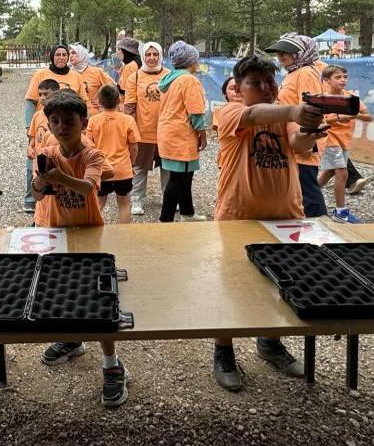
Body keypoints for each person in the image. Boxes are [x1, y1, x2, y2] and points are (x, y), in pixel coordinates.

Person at [210, 54, 327, 388]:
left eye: (270, 82)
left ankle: (270, 341)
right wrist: (292, 110)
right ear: (238, 88)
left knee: (282, 284)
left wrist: (311, 131)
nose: (265, 88)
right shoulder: (231, 111)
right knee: (232, 288)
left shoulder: (285, 115)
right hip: (237, 216)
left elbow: (298, 144)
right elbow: (253, 114)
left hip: (285, 216)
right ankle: (223, 350)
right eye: (255, 83)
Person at [31, 90, 129, 407]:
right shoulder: (45, 153)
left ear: (83, 122)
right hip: (54, 233)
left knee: (100, 304)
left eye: (68, 121)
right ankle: (73, 338)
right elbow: (38, 195)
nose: (61, 126)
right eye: (54, 121)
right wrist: (41, 182)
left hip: (89, 235)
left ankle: (112, 364)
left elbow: (89, 187)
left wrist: (59, 176)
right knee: (62, 293)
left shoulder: (93, 155)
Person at [265, 33, 337, 221]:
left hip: (303, 140)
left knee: (307, 190)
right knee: (300, 188)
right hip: (294, 138)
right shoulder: (293, 73)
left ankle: (322, 229)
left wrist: (306, 136)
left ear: (302, 53)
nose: (281, 55)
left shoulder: (306, 73)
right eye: (279, 52)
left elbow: (311, 109)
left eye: (287, 51)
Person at [22, 45, 87, 211]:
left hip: (66, 124)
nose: (61, 57)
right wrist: (29, 126)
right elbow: (30, 100)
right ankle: (31, 197)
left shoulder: (76, 76)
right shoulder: (41, 74)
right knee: (36, 161)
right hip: (43, 123)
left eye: (64, 54)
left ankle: (63, 194)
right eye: (57, 54)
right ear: (52, 57)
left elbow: (82, 101)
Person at [156, 40, 207, 223]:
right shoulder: (189, 80)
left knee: (184, 177)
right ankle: (165, 219)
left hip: (168, 134)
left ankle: (188, 212)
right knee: (178, 180)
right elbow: (196, 113)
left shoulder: (170, 78)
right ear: (190, 61)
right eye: (196, 58)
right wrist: (203, 135)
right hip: (181, 136)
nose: (198, 62)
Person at [317, 65, 372, 223]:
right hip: (329, 138)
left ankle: (306, 196)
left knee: (330, 172)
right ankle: (341, 212)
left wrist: (354, 115)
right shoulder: (322, 99)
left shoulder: (351, 98)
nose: (343, 80)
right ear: (327, 80)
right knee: (342, 172)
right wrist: (339, 117)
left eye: (345, 77)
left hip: (345, 140)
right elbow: (320, 120)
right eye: (338, 77)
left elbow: (368, 116)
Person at [124, 41, 169, 215]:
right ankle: (137, 200)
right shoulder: (134, 77)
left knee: (168, 167)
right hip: (143, 132)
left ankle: (168, 197)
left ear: (160, 56)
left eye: (155, 54)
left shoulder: (169, 75)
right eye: (148, 54)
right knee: (140, 168)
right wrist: (131, 132)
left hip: (166, 131)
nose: (151, 58)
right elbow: (129, 107)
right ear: (143, 56)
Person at [87, 84, 140, 222]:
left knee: (98, 203)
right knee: (124, 204)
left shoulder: (93, 121)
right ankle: (123, 238)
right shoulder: (128, 120)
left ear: (99, 101)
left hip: (101, 169)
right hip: (123, 169)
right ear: (119, 100)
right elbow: (134, 147)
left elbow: (89, 146)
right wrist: (132, 163)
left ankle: (91, 232)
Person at [70, 43, 111, 115]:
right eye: (69, 53)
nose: (70, 56)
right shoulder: (68, 73)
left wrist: (102, 101)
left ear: (82, 54)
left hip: (93, 115)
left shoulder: (97, 72)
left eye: (73, 53)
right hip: (73, 115)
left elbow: (112, 88)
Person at [27, 79, 59, 160]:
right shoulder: (37, 115)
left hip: (55, 159)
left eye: (46, 94)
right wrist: (30, 147)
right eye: (40, 94)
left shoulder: (61, 116)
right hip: (39, 159)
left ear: (56, 94)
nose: (42, 98)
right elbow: (33, 136)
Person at [115, 36, 141, 105]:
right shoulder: (132, 64)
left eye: (119, 49)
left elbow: (124, 90)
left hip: (126, 104)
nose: (117, 52)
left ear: (126, 51)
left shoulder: (130, 66)